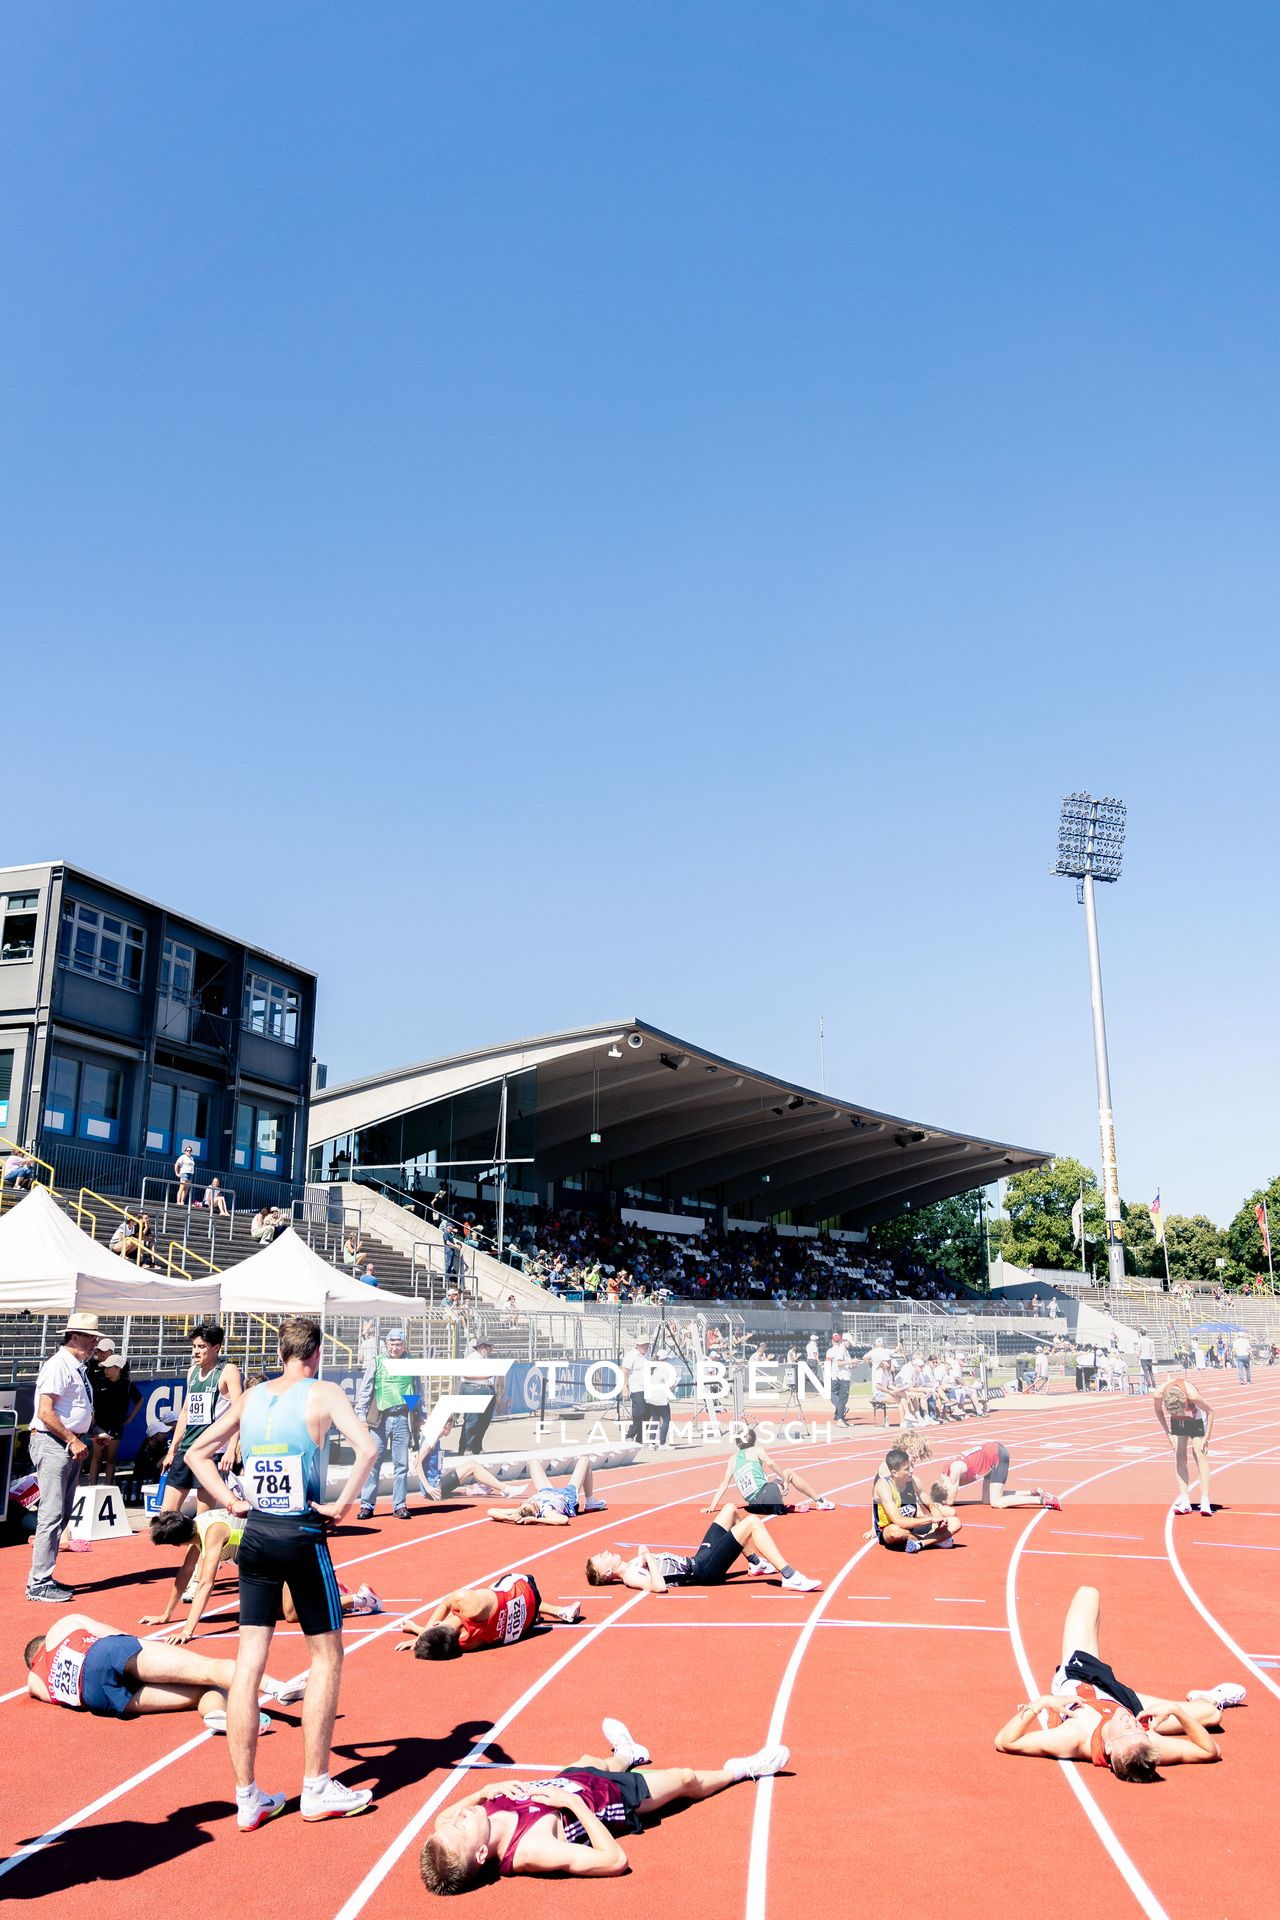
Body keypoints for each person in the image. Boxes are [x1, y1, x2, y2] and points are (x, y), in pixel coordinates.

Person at [184, 1313, 379, 1831]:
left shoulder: (251, 1397)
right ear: (314, 1354)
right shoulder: (324, 1392)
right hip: (301, 1533)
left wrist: (228, 1499)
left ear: (280, 1354)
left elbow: (195, 1451)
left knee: (249, 1664)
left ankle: (248, 1797)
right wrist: (341, 1504)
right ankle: (315, 1787)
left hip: (257, 1535)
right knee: (327, 1655)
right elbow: (370, 1447)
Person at [420, 1717, 788, 1892]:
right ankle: (742, 1771)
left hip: (575, 1779)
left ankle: (628, 1752)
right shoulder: (532, 1849)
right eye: (462, 1826)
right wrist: (572, 1805)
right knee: (685, 1778)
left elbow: (441, 1819)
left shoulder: (466, 1828)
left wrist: (486, 1790)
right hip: (610, 1798)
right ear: (483, 1853)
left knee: (594, 1760)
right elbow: (614, 1861)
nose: (460, 1816)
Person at [993, 1584, 1243, 1777]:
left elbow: (1005, 1741)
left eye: (1129, 1729)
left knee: (1088, 1594)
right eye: (1140, 1730)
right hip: (1121, 1700)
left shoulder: (1073, 1738)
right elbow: (1210, 1751)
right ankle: (1209, 1697)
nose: (1133, 1724)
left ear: (1110, 1747)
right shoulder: (1142, 1744)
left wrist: (1041, 1703)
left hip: (1082, 1678)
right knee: (1211, 1714)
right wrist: (1175, 1710)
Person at [144, 1507, 381, 1643]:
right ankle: (322, 1590)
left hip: (285, 1549)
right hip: (267, 1559)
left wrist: (188, 1630)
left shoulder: (212, 1531)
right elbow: (185, 1573)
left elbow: (206, 1582)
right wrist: (165, 1615)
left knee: (291, 1615)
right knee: (273, 1611)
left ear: (176, 1543)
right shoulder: (194, 1528)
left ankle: (360, 1599)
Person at [24, 1611, 274, 1732]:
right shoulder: (60, 1628)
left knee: (201, 1692)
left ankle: (216, 1713)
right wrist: (146, 1650)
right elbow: (111, 1634)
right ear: (43, 1642)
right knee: (205, 1669)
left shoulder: (34, 1680)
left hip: (98, 1697)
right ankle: (276, 1687)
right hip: (106, 1654)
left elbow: (59, 1697)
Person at [26, 1310, 99, 1602]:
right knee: (53, 1514)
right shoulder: (59, 1366)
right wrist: (72, 1438)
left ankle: (43, 1578)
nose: (95, 1342)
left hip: (65, 1444)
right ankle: (39, 1582)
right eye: (91, 1337)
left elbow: (67, 1409)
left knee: (60, 1514)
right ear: (76, 1337)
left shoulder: (74, 1367)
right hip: (55, 1443)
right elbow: (46, 1412)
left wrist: (87, 1431)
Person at [586, 1504, 820, 1591]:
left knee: (730, 1510)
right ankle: (789, 1575)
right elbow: (658, 1586)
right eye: (601, 1558)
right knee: (752, 1523)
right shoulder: (629, 1576)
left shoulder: (633, 1565)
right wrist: (647, 1555)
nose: (605, 1552)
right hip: (703, 1570)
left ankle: (756, 1564)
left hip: (698, 1558)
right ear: (607, 1573)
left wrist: (643, 1554)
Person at [394, 1572, 582, 1659]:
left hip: (527, 1620)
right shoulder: (467, 1602)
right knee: (493, 1591)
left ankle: (558, 1611)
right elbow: (445, 1602)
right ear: (435, 1625)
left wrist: (417, 1631)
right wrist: (421, 1633)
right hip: (526, 1587)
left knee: (496, 1607)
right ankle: (557, 1610)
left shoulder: (464, 1646)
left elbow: (441, 1635)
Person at [160, 1324, 242, 1513]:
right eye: (194, 1346)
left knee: (203, 1518)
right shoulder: (192, 1371)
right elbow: (186, 1412)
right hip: (187, 1448)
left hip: (211, 1451)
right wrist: (172, 1450)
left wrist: (231, 1449)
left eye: (202, 1347)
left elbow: (238, 1412)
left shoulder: (228, 1371)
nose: (196, 1352)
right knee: (166, 1515)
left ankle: (201, 1543)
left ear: (216, 1347)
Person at [906, 1432, 1060, 1510]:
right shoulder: (943, 1473)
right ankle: (1032, 1492)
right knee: (987, 1499)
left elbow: (950, 1502)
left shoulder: (953, 1471)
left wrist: (934, 1505)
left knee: (997, 1502)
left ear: (945, 1487)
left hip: (997, 1455)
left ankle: (1044, 1501)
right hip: (989, 1458)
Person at [702, 1427, 834, 1515]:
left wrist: (712, 1506)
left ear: (737, 1444)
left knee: (769, 1486)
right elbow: (771, 1463)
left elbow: (724, 1484)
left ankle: (781, 1507)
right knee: (788, 1472)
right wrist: (785, 1479)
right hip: (766, 1496)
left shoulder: (732, 1459)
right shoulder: (757, 1450)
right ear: (754, 1441)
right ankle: (820, 1501)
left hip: (753, 1506)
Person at [358, 1326, 415, 1520]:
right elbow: (365, 1390)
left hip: (401, 1418)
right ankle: (367, 1505)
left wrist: (418, 1414)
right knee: (373, 1463)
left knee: (402, 1465)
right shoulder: (377, 1362)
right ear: (386, 1344)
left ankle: (399, 1505)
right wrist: (361, 1417)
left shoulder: (411, 1363)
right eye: (392, 1344)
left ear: (404, 1344)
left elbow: (416, 1389)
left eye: (398, 1344)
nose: (395, 1348)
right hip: (380, 1420)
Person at [870, 1447, 961, 1552]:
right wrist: (931, 1519)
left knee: (955, 1522)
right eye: (907, 1469)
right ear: (895, 1473)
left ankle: (919, 1544)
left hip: (913, 1527)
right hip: (891, 1529)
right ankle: (933, 1541)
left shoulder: (914, 1481)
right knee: (895, 1532)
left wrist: (940, 1520)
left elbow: (931, 1505)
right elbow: (899, 1521)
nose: (911, 1471)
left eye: (911, 1467)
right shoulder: (883, 1486)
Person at [1154, 1377, 1214, 1515]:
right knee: (1179, 1456)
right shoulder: (1158, 1393)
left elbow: (1211, 1411)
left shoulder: (1193, 1395)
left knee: (1199, 1454)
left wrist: (1207, 1436)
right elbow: (1158, 1411)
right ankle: (1185, 1501)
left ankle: (1205, 1502)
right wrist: (1168, 1433)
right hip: (1178, 1419)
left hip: (1196, 1418)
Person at [489, 1455, 605, 1525]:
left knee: (533, 1462)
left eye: (526, 1502)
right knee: (584, 1460)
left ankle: (590, 1500)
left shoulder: (519, 1511)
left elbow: (491, 1511)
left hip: (545, 1491)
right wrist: (535, 1520)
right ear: (535, 1510)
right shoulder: (546, 1511)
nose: (529, 1501)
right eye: (531, 1503)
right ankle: (590, 1500)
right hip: (567, 1496)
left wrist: (508, 1517)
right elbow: (563, 1520)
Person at [87, 1345, 142, 1485]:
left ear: (118, 1368)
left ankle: (107, 1487)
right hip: (99, 1424)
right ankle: (92, 1486)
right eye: (104, 1367)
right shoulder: (100, 1382)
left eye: (109, 1367)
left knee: (111, 1458)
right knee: (96, 1457)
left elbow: (139, 1400)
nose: (105, 1370)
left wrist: (129, 1418)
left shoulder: (128, 1384)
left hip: (116, 1425)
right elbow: (92, 1401)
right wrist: (92, 1418)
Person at [458, 1338, 499, 1454]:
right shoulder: (473, 1358)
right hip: (474, 1389)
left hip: (484, 1390)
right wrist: (484, 1376)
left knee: (483, 1422)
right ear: (481, 1347)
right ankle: (467, 1447)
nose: (489, 1349)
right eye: (487, 1346)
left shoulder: (483, 1358)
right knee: (473, 1421)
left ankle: (476, 1446)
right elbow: (465, 1374)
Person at [620, 1334, 651, 1443]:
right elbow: (624, 1372)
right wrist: (624, 1388)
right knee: (640, 1412)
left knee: (647, 1414)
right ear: (638, 1345)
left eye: (647, 1345)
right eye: (644, 1345)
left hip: (648, 1388)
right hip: (636, 1388)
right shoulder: (631, 1356)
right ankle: (630, 1434)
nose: (646, 1347)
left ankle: (640, 1438)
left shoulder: (648, 1355)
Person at [825, 1331, 853, 1425]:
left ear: (832, 1341)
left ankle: (840, 1412)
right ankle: (838, 1414)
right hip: (841, 1375)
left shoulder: (831, 1350)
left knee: (833, 1395)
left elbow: (828, 1363)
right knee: (841, 1397)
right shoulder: (842, 1349)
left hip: (834, 1375)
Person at [1137, 1326, 1156, 1392]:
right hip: (1149, 1358)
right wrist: (1152, 1357)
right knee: (1151, 1371)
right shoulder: (1150, 1340)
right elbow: (1152, 1350)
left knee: (1146, 1372)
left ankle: (1149, 1384)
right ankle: (1154, 1384)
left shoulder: (1140, 1340)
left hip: (1143, 1357)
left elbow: (1139, 1350)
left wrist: (1137, 1357)